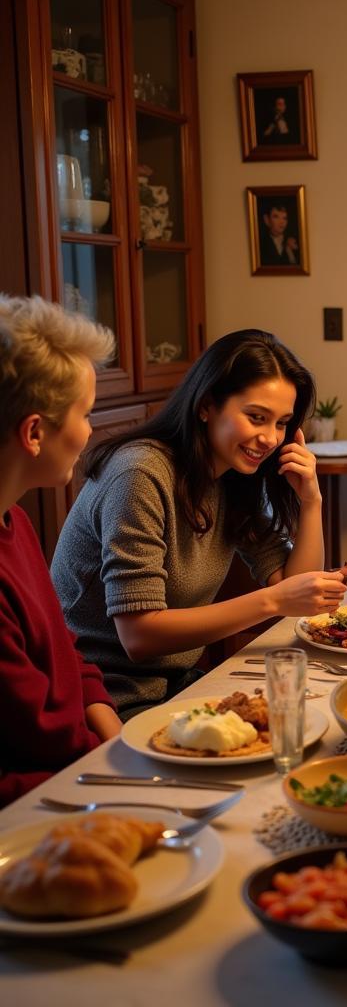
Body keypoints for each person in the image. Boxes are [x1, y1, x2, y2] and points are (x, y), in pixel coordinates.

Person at [51, 329, 347, 717]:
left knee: (312, 715)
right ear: (207, 405)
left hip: (179, 685)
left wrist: (311, 500)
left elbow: (295, 589)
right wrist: (273, 600)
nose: (270, 438)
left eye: (282, 423)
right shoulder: (140, 473)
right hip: (108, 698)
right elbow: (138, 635)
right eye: (256, 417)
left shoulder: (233, 475)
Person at [0, 295, 121, 805]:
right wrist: (116, 766)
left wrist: (112, 733)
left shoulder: (17, 522)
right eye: (86, 413)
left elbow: (66, 654)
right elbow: (40, 734)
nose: (90, 431)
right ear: (34, 432)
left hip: (81, 768)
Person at [259, 202, 299, 267]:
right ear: (267, 219)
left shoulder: (293, 241)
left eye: (284, 218)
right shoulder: (261, 243)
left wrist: (289, 250)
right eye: (276, 217)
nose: (281, 222)